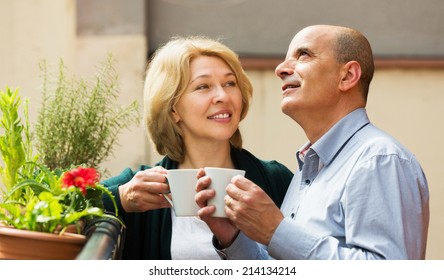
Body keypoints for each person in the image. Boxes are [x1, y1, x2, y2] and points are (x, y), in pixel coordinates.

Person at [195, 25, 430, 260]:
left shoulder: (379, 159)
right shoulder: (308, 168)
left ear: (347, 76)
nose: (280, 69)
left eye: (303, 54)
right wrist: (234, 239)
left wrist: (277, 231)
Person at [100, 36, 293, 259]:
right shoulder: (139, 189)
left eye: (230, 83)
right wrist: (120, 198)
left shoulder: (276, 179)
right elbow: (58, 205)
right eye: (203, 86)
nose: (222, 96)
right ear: (173, 109)